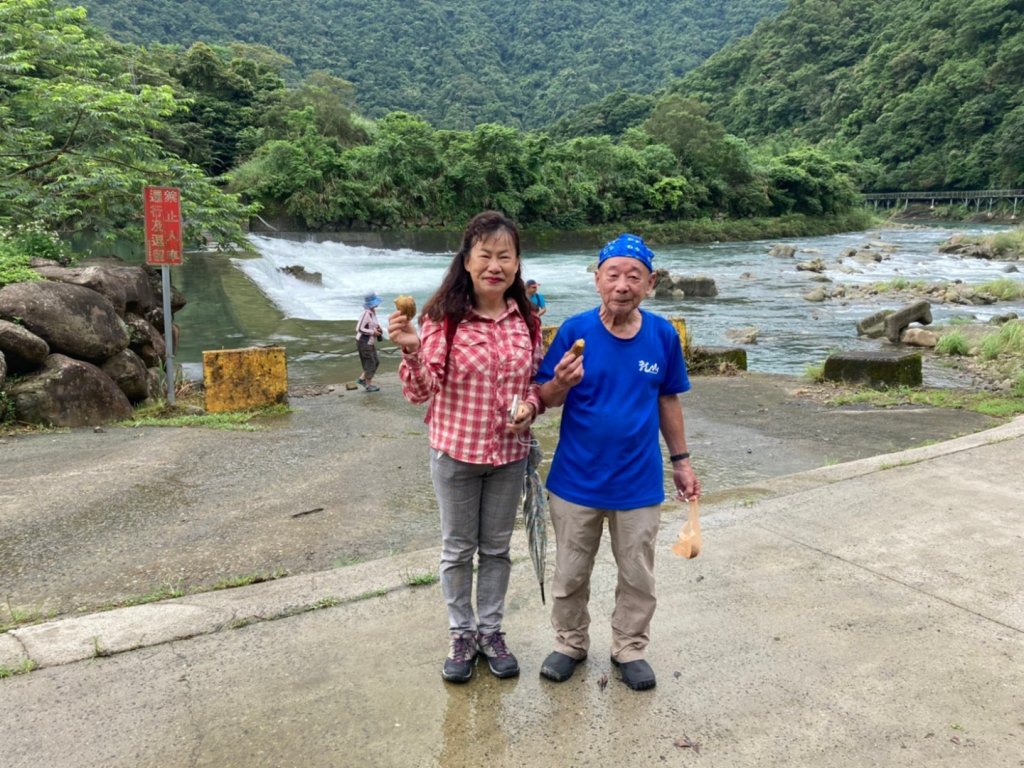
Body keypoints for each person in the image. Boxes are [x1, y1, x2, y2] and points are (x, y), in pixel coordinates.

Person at [535, 233, 701, 691]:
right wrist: (561, 384)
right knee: (570, 571)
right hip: (575, 480)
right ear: (597, 280)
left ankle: (629, 647)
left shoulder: (662, 335)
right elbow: (544, 397)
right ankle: (570, 642)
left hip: (638, 483)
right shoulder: (573, 331)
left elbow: (668, 400)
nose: (623, 285)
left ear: (650, 284)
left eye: (635, 276)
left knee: (638, 574)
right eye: (613, 274)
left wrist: (682, 462)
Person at [388, 210, 543, 683]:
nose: (495, 265)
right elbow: (420, 391)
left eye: (505, 256)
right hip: (456, 452)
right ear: (468, 260)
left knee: (496, 550)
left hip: (509, 456)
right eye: (486, 255)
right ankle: (461, 634)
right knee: (458, 550)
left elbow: (536, 381)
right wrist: (411, 350)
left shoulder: (528, 320)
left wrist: (531, 408)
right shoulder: (443, 319)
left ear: (517, 264)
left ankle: (491, 632)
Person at [356, 292, 384, 392]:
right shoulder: (366, 314)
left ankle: (362, 379)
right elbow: (359, 328)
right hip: (364, 342)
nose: (378, 304)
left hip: (369, 342)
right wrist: (373, 332)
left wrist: (378, 329)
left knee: (375, 362)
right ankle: (368, 384)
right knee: (371, 363)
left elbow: (373, 325)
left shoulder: (372, 313)